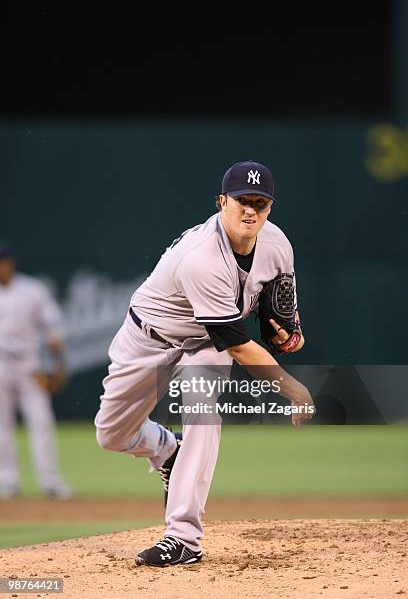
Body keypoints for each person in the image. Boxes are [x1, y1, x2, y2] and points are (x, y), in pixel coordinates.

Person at [95, 160, 314, 566]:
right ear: (221, 202)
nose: (251, 210)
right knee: (111, 435)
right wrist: (291, 387)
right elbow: (237, 343)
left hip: (204, 346)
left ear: (270, 207)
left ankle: (183, 538)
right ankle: (166, 451)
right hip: (149, 338)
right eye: (242, 200)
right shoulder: (202, 257)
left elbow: (281, 315)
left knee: (202, 413)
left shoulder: (278, 245)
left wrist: (288, 335)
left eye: (260, 203)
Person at [0, 242, 73, 500]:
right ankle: (7, 481)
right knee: (2, 426)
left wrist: (57, 363)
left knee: (41, 422)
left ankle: (50, 481)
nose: (2, 267)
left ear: (11, 262)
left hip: (28, 365)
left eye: (4, 261)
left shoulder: (32, 290)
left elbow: (52, 329)